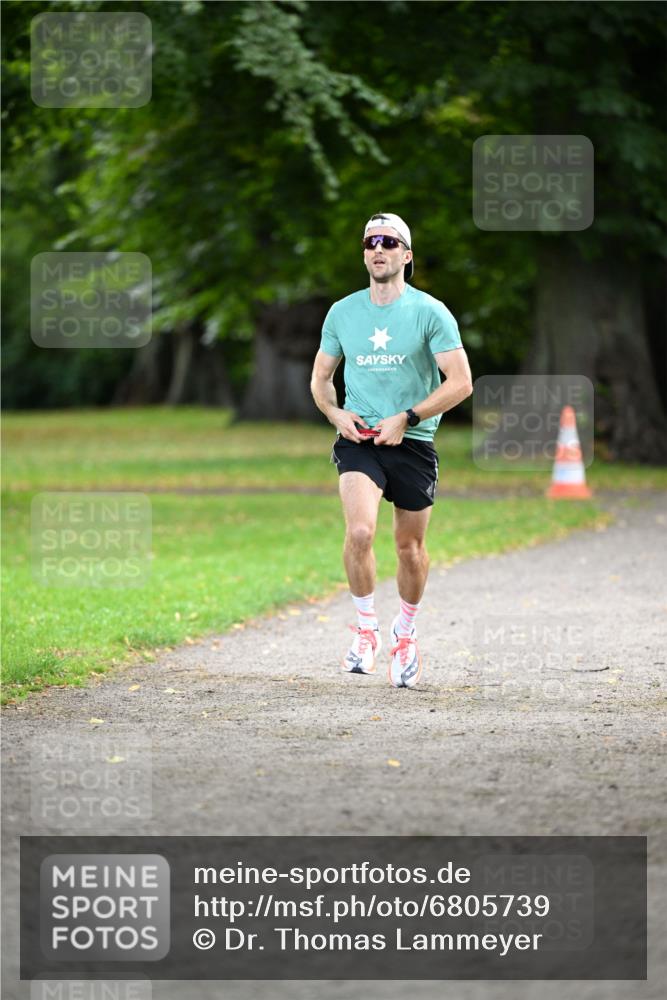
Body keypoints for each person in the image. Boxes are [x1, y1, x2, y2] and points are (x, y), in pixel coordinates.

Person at [310, 212, 473, 688]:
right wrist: (338, 416)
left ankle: (406, 632)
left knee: (409, 548)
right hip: (359, 441)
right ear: (364, 253)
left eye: (389, 242)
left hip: (413, 442)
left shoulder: (430, 312)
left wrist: (410, 417)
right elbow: (321, 379)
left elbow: (461, 383)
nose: (377, 249)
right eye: (370, 242)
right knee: (360, 532)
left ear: (407, 255)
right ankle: (366, 629)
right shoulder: (343, 312)